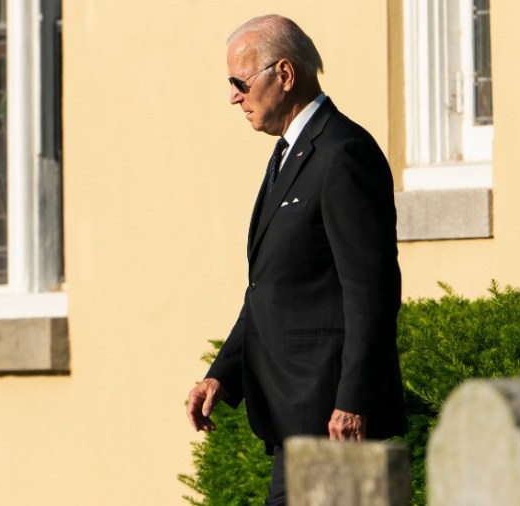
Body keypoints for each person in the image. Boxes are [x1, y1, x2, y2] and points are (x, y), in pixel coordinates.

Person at [185, 14, 407, 506]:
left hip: (335, 426)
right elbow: (271, 287)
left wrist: (352, 402)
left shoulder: (343, 152)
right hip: (298, 423)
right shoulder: (289, 154)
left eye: (239, 83)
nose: (234, 97)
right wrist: (222, 373)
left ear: (283, 75)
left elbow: (372, 294)